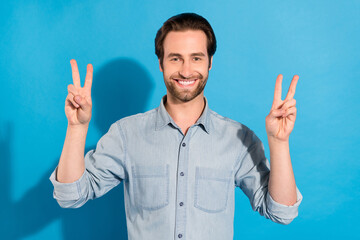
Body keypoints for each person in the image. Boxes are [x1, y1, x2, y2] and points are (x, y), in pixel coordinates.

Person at [50, 13, 302, 240]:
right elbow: (70, 196)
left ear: (209, 63)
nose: (186, 70)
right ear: (161, 63)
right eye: (175, 58)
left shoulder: (239, 138)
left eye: (196, 58)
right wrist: (76, 128)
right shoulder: (126, 135)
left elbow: (281, 212)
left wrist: (279, 143)